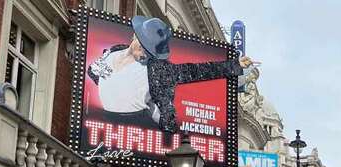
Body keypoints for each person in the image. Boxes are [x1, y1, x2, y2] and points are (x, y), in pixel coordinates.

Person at [87, 16, 255, 131]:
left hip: (136, 124)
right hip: (104, 120)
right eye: (144, 45)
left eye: (151, 50)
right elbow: (94, 71)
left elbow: (198, 71)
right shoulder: (112, 51)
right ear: (135, 37)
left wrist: (235, 65)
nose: (146, 53)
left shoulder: (159, 69)